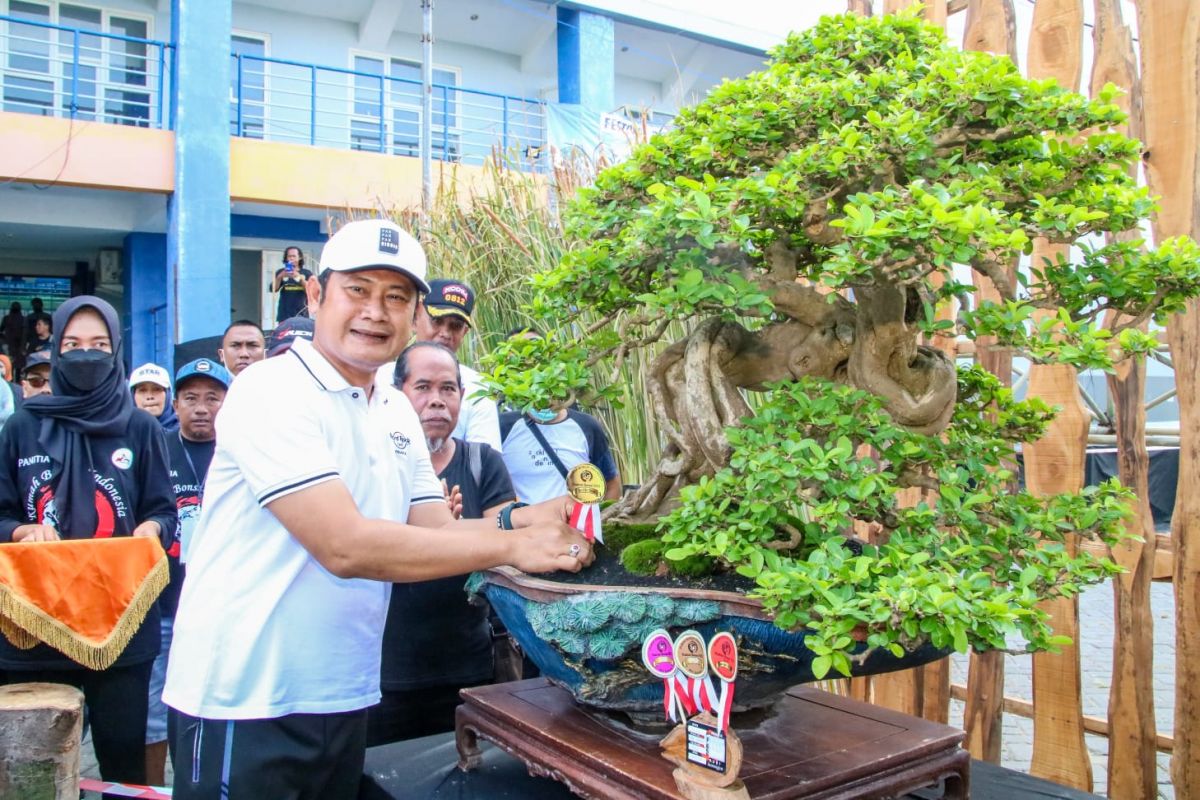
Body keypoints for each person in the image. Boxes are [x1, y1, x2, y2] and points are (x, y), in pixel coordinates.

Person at [162, 218, 592, 799]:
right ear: (316, 295)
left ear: (416, 316)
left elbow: (435, 527)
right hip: (247, 695)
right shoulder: (270, 391)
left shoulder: (392, 408)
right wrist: (516, 546)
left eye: (396, 297)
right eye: (357, 290)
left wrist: (529, 516)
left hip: (344, 690)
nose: (375, 311)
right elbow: (345, 546)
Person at [0, 296, 178, 789]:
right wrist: (20, 531)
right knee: (32, 770)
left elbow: (163, 510)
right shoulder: (22, 427)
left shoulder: (140, 427)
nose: (86, 355)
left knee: (121, 764)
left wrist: (153, 531)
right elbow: (1, 512)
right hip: (33, 628)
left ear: (117, 348)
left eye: (99, 345)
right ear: (55, 348)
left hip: (120, 626)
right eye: (73, 344)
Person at [368, 341, 519, 745]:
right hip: (383, 669)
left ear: (462, 398)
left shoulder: (482, 462)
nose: (437, 401)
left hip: (466, 663)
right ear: (398, 393)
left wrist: (453, 532)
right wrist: (436, 531)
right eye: (423, 388)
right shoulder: (373, 460)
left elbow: (507, 537)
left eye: (448, 389)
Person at [144, 357, 231, 786]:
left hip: (223, 605)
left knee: (214, 706)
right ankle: (156, 789)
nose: (202, 407)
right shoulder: (156, 448)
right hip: (164, 601)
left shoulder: (242, 449)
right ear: (174, 404)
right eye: (191, 398)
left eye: (213, 398)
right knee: (155, 714)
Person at [376, 278, 502, 451]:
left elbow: (484, 458)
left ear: (464, 332)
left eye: (455, 326)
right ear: (415, 317)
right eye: (437, 321)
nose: (445, 333)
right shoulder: (379, 379)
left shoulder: (478, 388)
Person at [499, 396, 623, 505]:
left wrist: (600, 522)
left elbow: (611, 484)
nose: (545, 400)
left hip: (576, 529)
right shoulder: (502, 427)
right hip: (524, 529)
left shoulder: (587, 426)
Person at [129, 363, 179, 433]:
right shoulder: (121, 432)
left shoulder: (185, 432)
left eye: (157, 389)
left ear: (168, 394)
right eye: (142, 390)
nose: (150, 397)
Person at [272, 245, 313, 322]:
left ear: (299, 257)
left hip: (302, 312)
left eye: (294, 256)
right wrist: (279, 277)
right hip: (284, 313)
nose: (291, 258)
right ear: (286, 258)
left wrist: (299, 278)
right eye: (289, 256)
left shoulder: (307, 273)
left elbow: (311, 290)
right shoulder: (280, 272)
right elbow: (274, 289)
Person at [2, 301, 24, 374]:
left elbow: (1, 329)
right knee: (18, 366)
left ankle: (9, 381)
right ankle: (17, 381)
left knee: (9, 363)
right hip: (19, 345)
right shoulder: (23, 319)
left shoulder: (6, 318)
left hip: (9, 344)